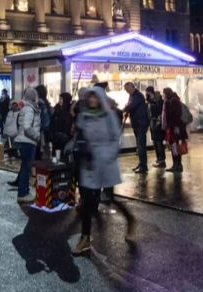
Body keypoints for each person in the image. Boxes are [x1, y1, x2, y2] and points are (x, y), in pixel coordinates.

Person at [71, 86, 133, 255]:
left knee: (110, 199)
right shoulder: (84, 116)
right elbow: (80, 136)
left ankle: (129, 219)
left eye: (95, 97)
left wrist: (106, 155)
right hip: (88, 164)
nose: (92, 100)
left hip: (105, 164)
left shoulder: (108, 116)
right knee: (86, 201)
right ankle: (85, 238)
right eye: (89, 98)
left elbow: (115, 139)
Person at [14, 88, 42, 203]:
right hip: (28, 142)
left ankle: (23, 190)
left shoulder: (25, 108)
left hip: (23, 141)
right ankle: (23, 193)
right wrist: (37, 137)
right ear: (34, 98)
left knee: (24, 167)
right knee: (26, 168)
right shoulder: (30, 110)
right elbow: (27, 128)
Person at [123, 82, 150, 174]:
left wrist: (122, 110)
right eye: (125, 90)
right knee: (139, 145)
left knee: (141, 146)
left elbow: (130, 106)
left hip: (141, 123)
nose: (127, 91)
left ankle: (143, 166)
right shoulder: (131, 96)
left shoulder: (138, 96)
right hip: (136, 123)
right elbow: (129, 106)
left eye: (127, 89)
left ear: (132, 87)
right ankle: (141, 163)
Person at [162, 88, 189, 172]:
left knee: (174, 146)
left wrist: (175, 127)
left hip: (174, 128)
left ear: (166, 93)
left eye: (163, 94)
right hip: (175, 127)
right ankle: (177, 164)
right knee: (175, 146)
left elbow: (175, 115)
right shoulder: (174, 100)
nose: (163, 95)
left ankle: (177, 165)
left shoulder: (172, 101)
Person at [145, 87, 167, 168]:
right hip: (153, 124)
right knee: (155, 142)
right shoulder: (150, 101)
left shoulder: (158, 100)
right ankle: (159, 159)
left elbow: (160, 111)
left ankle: (162, 160)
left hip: (158, 124)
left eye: (148, 92)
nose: (147, 94)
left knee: (158, 142)